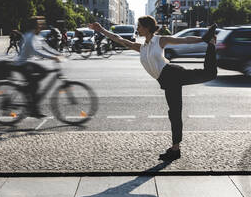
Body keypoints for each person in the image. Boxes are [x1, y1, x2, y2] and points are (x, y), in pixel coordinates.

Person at [89, 16, 217, 161]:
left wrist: (202, 40)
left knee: (206, 78)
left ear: (147, 27)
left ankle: (211, 43)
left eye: (139, 26)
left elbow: (184, 40)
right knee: (174, 113)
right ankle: (175, 149)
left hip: (173, 74)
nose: (137, 28)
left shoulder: (160, 40)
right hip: (167, 80)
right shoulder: (141, 47)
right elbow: (118, 38)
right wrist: (101, 30)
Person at [13, 16, 61, 118]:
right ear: (35, 26)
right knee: (35, 85)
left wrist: (58, 54)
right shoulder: (29, 36)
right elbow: (36, 51)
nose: (42, 26)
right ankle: (33, 109)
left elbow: (45, 47)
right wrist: (52, 57)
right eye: (40, 24)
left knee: (43, 72)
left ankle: (28, 89)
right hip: (21, 63)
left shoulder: (37, 36)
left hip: (28, 62)